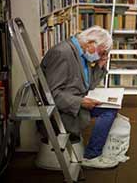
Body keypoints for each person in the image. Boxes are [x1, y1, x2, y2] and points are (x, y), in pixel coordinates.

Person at [40, 26, 118, 169]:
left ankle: (92, 153)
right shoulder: (62, 54)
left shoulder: (81, 52)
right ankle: (91, 157)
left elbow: (89, 85)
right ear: (91, 44)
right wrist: (81, 102)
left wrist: (100, 65)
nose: (102, 56)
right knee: (108, 113)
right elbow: (51, 94)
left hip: (76, 102)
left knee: (112, 109)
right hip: (62, 111)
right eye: (101, 52)